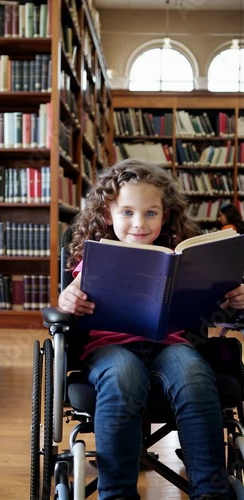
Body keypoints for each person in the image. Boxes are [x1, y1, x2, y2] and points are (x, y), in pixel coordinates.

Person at [59, 159, 244, 500]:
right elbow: (70, 297)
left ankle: (211, 492)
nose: (139, 224)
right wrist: (67, 298)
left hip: (171, 344)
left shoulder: (181, 258)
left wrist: (235, 296)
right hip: (109, 349)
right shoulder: (96, 257)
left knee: (192, 371)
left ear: (165, 214)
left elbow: (217, 305)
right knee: (123, 373)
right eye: (127, 212)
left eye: (150, 213)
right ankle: (116, 493)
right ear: (106, 215)